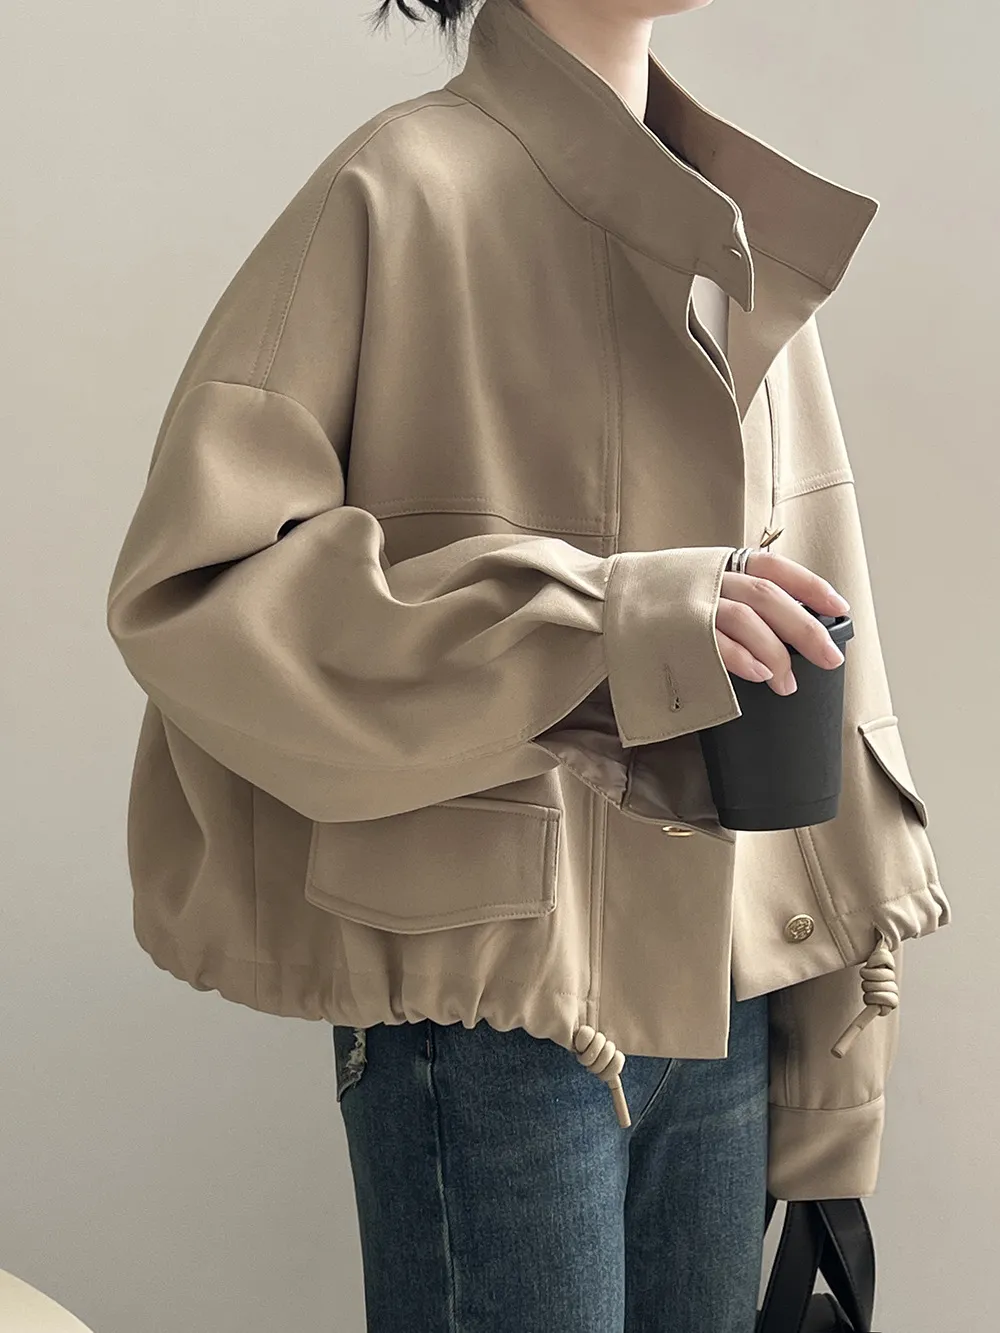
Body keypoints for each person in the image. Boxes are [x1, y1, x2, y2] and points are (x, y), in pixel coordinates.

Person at [105, 0, 951, 1330]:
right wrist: (600, 622)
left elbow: (827, 642)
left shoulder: (740, 231)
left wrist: (839, 1059)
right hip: (495, 1010)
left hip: (731, 991)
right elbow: (198, 598)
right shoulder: (396, 191)